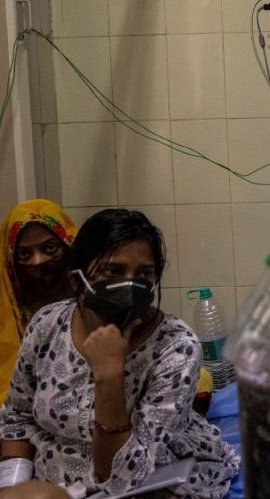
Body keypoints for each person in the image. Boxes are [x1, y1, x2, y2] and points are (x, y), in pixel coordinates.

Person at [0, 209, 239, 498]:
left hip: (146, 479)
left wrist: (109, 375)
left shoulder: (176, 346)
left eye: (143, 274)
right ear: (77, 280)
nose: (130, 284)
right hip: (51, 474)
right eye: (113, 272)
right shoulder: (46, 325)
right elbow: (17, 419)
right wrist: (13, 486)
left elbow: (120, 476)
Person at [0, 200, 78, 403]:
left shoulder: (92, 302)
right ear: (10, 260)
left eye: (50, 248)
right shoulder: (5, 311)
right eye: (24, 254)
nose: (37, 261)